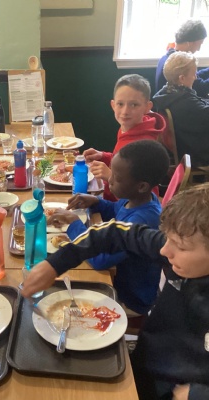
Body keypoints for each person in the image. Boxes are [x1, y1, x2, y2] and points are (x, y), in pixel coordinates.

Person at [21, 183, 209, 400]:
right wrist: (56, 263)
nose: (165, 250)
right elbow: (113, 233)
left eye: (181, 247)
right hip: (145, 362)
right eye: (167, 238)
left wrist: (197, 394)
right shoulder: (178, 252)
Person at [47, 140, 169, 316]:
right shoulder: (137, 199)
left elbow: (99, 260)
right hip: (116, 279)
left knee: (56, 296)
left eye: (117, 178)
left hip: (128, 299)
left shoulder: (142, 221)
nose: (109, 180)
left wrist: (74, 224)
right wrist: (97, 202)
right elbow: (116, 210)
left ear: (141, 186)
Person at [83, 74, 166, 201]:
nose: (125, 111)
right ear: (113, 105)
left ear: (147, 107)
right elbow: (126, 163)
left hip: (124, 210)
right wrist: (103, 156)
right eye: (120, 104)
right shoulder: (129, 127)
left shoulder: (144, 146)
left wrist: (111, 177)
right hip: (110, 200)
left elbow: (144, 197)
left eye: (134, 105)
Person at [152, 51, 209, 167]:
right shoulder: (184, 103)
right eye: (194, 74)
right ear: (182, 78)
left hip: (188, 144)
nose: (195, 77)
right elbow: (204, 113)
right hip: (196, 152)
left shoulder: (169, 94)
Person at [155, 19, 209, 97]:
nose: (198, 49)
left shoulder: (169, 58)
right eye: (199, 44)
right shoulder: (178, 64)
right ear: (189, 43)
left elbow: (195, 76)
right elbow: (201, 88)